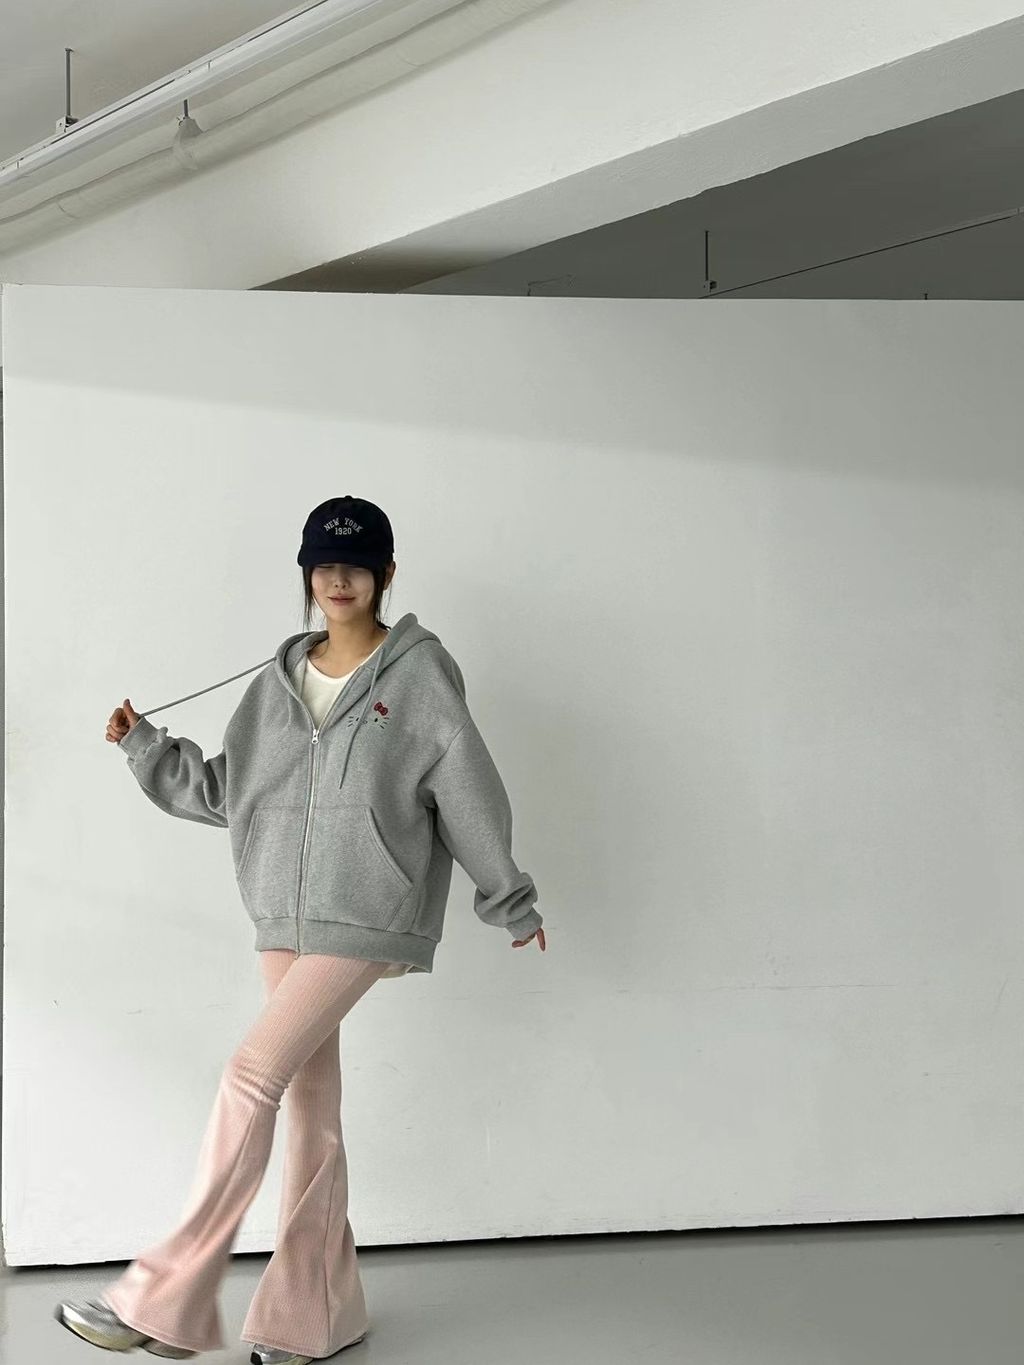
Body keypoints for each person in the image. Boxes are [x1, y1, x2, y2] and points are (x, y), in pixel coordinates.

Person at [54, 495, 547, 1365]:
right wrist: (146, 747)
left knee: (250, 1075)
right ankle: (314, 1317)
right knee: (311, 1113)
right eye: (324, 565)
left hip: (367, 908)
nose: (338, 580)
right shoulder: (274, 684)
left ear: (386, 573)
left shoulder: (422, 677)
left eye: (355, 565)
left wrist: (508, 897)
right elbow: (227, 791)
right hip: (281, 913)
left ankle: (163, 1296)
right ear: (308, 575)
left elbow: (467, 785)